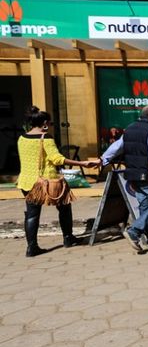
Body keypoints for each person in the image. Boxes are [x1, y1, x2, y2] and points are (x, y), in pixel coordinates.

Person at [17, 106, 96, 256]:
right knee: (64, 207)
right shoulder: (46, 138)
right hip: (48, 182)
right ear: (45, 123)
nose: (51, 126)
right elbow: (57, 159)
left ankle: (31, 247)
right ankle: (68, 238)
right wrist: (82, 164)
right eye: (51, 124)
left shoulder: (22, 138)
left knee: (32, 214)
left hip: (26, 181)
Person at [99, 104, 148, 253]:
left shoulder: (129, 128)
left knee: (144, 206)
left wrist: (103, 159)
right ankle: (134, 231)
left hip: (132, 175)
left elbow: (117, 147)